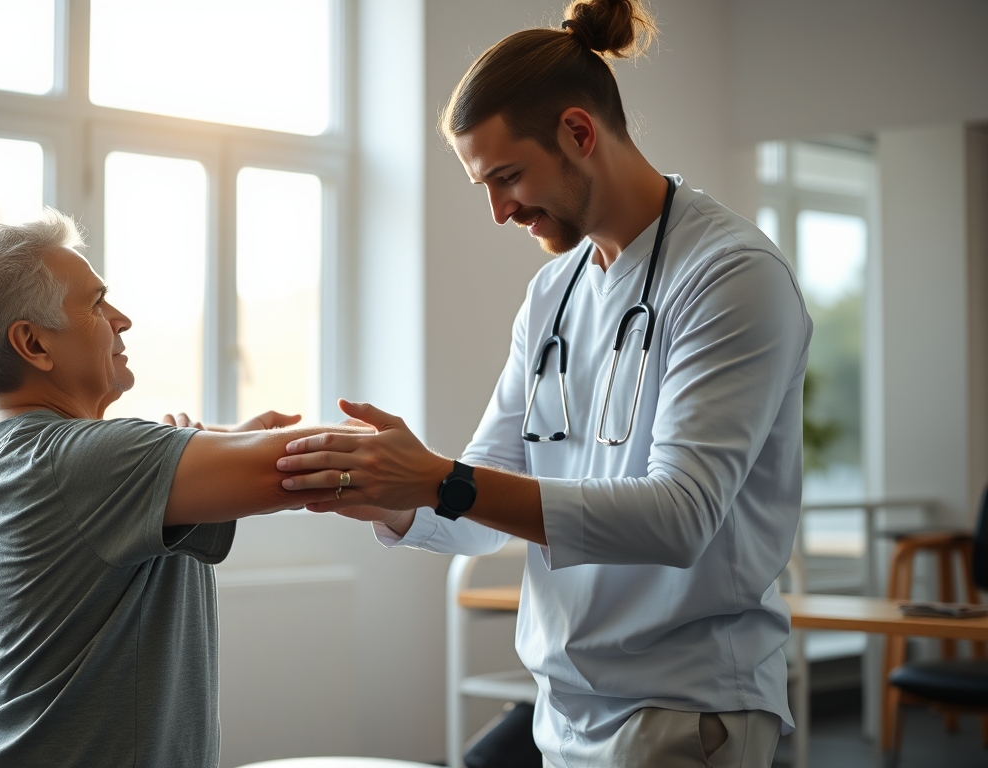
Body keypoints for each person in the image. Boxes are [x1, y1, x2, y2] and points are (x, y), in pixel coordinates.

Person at [276, 2, 811, 766]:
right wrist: (391, 493)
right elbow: (484, 503)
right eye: (483, 185)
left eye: (507, 176)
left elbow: (681, 517)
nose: (498, 211)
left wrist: (443, 479)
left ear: (579, 133)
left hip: (684, 711)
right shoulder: (553, 292)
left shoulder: (730, 275)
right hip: (561, 706)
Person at [0, 209, 348, 767]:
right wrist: (410, 459)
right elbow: (303, 461)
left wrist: (209, 448)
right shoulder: (83, 461)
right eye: (95, 304)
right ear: (33, 344)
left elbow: (105, 479)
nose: (121, 319)